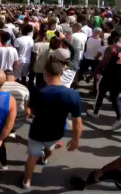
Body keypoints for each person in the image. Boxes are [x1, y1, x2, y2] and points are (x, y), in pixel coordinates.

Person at [23, 59, 82, 189]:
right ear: (61, 73)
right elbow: (77, 121)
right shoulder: (73, 95)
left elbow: (31, 112)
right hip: (57, 132)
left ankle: (26, 181)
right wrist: (76, 139)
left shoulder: (37, 91)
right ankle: (44, 159)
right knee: (50, 148)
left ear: (46, 74)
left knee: (32, 156)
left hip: (37, 131)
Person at [88, 31, 121, 130]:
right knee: (115, 97)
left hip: (109, 75)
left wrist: (93, 74)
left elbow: (103, 63)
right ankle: (119, 117)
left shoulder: (112, 48)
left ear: (112, 38)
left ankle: (96, 112)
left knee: (101, 93)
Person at [2, 70, 29, 140]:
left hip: (2, 122)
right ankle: (11, 131)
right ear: (14, 78)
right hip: (18, 121)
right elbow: (28, 112)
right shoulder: (24, 88)